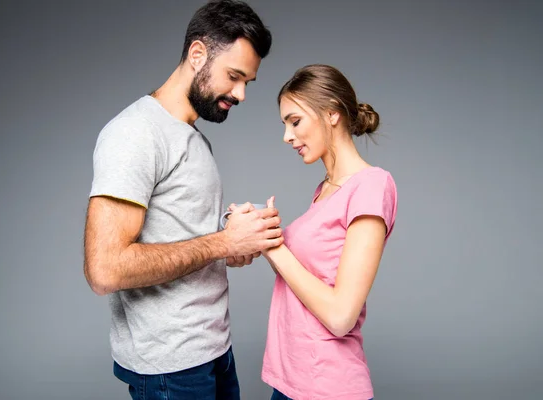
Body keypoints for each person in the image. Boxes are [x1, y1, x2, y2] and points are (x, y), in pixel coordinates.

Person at [82, 1, 281, 399]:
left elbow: (183, 238)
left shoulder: (193, 137)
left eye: (248, 83)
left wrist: (232, 241)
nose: (241, 94)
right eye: (234, 76)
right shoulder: (136, 133)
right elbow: (104, 270)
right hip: (170, 369)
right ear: (197, 54)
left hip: (213, 351)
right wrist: (224, 242)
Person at [259, 64, 397, 400]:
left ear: (331, 113)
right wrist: (266, 235)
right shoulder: (326, 189)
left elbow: (340, 316)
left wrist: (276, 250)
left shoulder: (371, 185)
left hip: (327, 387)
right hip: (291, 381)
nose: (287, 136)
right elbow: (305, 280)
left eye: (295, 121)